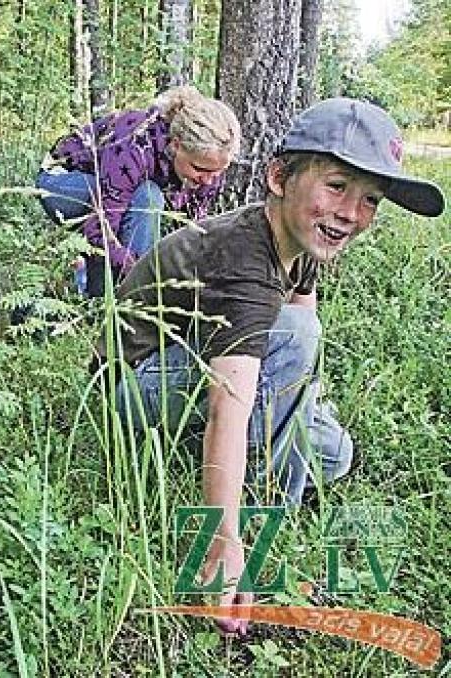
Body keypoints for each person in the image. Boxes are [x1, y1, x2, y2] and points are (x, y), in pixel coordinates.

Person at [99, 98, 444, 633]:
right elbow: (228, 407)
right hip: (130, 385)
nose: (350, 213)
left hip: (201, 360)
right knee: (292, 339)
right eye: (336, 186)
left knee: (333, 454)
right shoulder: (242, 258)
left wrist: (302, 400)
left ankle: (241, 455)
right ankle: (258, 514)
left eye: (370, 199)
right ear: (280, 177)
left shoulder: (305, 238)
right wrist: (224, 541)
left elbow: (303, 325)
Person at [36, 86, 241, 297]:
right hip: (62, 182)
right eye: (199, 169)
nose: (208, 180)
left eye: (217, 172)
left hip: (115, 192)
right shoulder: (134, 147)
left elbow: (191, 233)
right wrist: (143, 272)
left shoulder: (209, 166)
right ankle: (121, 299)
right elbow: (100, 229)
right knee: (148, 197)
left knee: (146, 202)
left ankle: (109, 290)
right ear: (176, 145)